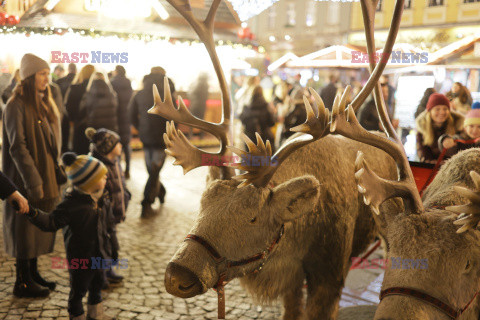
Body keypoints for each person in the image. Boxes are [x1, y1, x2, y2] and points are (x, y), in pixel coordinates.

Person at [19, 152, 115, 320]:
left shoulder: (102, 198)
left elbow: (107, 226)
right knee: (79, 290)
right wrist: (32, 212)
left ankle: (96, 314)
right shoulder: (71, 205)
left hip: (99, 255)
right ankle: (76, 315)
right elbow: (51, 222)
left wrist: (111, 248)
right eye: (102, 176)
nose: (106, 177)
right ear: (89, 182)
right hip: (81, 259)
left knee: (97, 285)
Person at [3, 53, 63, 297]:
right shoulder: (15, 105)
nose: (47, 79)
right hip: (23, 180)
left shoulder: (41, 102)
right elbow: (18, 147)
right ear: (29, 77)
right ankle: (22, 280)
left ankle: (34, 273)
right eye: (42, 74)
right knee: (23, 230)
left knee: (37, 227)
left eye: (48, 74)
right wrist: (34, 181)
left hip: (43, 176)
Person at [86, 127, 130, 286]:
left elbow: (120, 183)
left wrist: (126, 195)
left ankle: (109, 269)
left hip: (114, 212)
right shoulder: (100, 167)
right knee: (101, 244)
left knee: (112, 243)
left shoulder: (115, 162)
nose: (121, 146)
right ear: (108, 148)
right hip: (103, 214)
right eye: (118, 144)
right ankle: (100, 274)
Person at [129, 69, 172, 217]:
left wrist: (140, 127)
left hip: (146, 136)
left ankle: (150, 199)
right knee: (154, 171)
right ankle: (150, 199)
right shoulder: (169, 94)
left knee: (152, 170)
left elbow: (131, 114)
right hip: (163, 137)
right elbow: (177, 117)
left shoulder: (140, 94)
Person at [415, 93, 464, 163]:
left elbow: (461, 152)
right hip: (429, 169)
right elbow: (423, 156)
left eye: (445, 109)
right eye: (437, 109)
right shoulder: (422, 129)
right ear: (430, 111)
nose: (442, 112)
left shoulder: (457, 127)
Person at [65, 64, 95, 155]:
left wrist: (72, 120)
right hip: (95, 125)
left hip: (79, 125)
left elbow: (68, 106)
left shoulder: (75, 88)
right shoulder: (98, 89)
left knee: (80, 154)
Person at [110, 66, 133, 178]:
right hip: (126, 116)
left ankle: (118, 169)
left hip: (116, 117)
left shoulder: (112, 82)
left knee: (116, 143)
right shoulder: (128, 82)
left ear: (116, 71)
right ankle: (128, 169)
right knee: (126, 144)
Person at [56, 63, 77, 153]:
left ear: (68, 69)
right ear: (75, 70)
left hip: (61, 113)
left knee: (62, 138)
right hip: (76, 117)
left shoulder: (59, 81)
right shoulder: (78, 82)